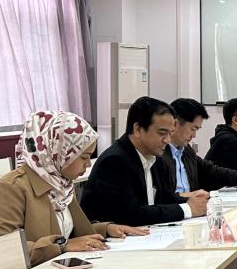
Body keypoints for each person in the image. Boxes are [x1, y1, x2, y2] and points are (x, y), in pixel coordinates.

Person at [0, 111, 147, 266]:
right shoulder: (9, 189)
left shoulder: (60, 185)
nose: (88, 164)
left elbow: (68, 233)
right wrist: (62, 246)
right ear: (57, 152)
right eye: (84, 157)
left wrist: (107, 229)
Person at [81, 97, 209, 226]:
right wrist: (187, 209)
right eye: (162, 133)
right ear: (138, 129)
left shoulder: (154, 155)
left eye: (170, 133)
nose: (168, 140)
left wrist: (192, 199)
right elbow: (129, 214)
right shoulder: (115, 161)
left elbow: (163, 198)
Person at [163, 98, 237, 196]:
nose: (194, 136)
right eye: (192, 129)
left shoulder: (186, 151)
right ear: (175, 124)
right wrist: (190, 198)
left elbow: (213, 170)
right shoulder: (160, 155)